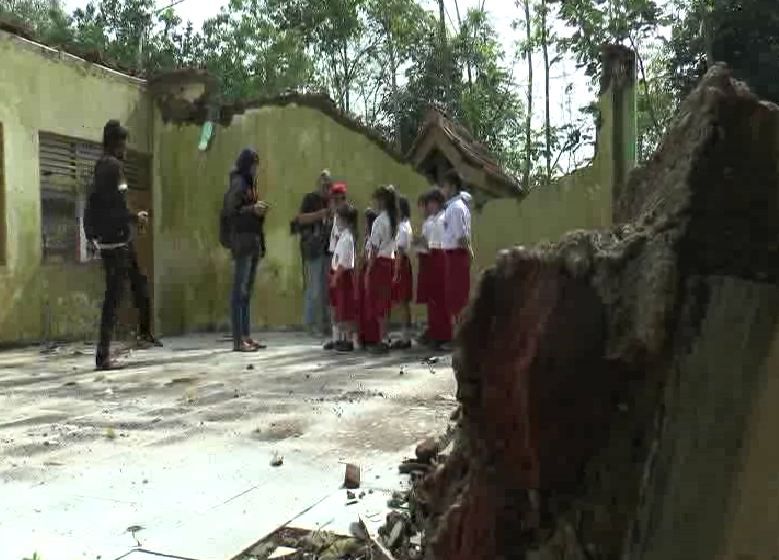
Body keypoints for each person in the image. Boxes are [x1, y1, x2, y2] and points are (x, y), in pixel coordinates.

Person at [84, 119, 161, 371]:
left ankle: (143, 333)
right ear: (116, 143)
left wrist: (90, 234)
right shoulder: (114, 167)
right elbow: (116, 205)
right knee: (116, 296)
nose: (126, 148)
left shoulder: (98, 168)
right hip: (118, 240)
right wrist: (135, 216)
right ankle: (104, 355)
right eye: (124, 143)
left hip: (111, 240)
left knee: (136, 284)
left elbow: (92, 202)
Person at [222, 148, 268, 352]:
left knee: (246, 292)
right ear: (246, 165)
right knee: (238, 292)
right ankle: (238, 340)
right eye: (253, 165)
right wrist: (253, 209)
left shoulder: (250, 184)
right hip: (241, 242)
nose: (256, 169)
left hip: (253, 242)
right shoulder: (238, 183)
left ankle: (246, 336)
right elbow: (231, 212)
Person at [294, 171, 333, 337]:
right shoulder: (310, 199)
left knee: (326, 290)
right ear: (318, 183)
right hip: (313, 250)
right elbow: (300, 219)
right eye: (324, 184)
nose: (326, 187)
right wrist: (321, 214)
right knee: (314, 289)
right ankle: (311, 325)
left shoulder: (332, 200)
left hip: (328, 249)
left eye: (329, 184)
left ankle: (324, 324)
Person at [366, 185, 398, 353]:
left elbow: (374, 248)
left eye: (376, 199)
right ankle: (385, 337)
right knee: (385, 302)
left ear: (382, 201)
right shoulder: (392, 220)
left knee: (379, 302)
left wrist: (369, 269)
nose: (374, 203)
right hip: (389, 262)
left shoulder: (379, 221)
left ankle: (382, 339)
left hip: (379, 263)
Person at [419, 188, 452, 348]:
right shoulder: (433, 220)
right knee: (433, 299)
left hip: (439, 256)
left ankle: (442, 335)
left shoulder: (441, 219)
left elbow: (436, 243)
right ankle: (435, 332)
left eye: (431, 202)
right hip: (433, 256)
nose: (429, 206)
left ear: (438, 203)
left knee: (439, 298)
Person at [441, 169, 473, 324]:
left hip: (456, 254)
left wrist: (469, 251)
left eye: (445, 186)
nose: (443, 190)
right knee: (458, 292)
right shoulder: (458, 206)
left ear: (453, 187)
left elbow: (460, 236)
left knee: (456, 293)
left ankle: (458, 331)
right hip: (456, 253)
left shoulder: (455, 208)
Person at [330, 204, 359, 353]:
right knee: (341, 308)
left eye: (338, 218)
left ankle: (350, 340)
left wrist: (335, 277)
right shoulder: (343, 236)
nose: (337, 221)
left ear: (345, 219)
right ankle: (344, 338)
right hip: (341, 275)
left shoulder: (347, 238)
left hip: (345, 276)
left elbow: (343, 262)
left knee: (347, 309)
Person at [324, 182, 349, 350]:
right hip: (334, 262)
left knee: (343, 302)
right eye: (333, 200)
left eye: (339, 200)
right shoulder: (334, 219)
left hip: (343, 265)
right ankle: (335, 337)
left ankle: (345, 338)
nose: (335, 203)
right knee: (334, 302)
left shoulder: (347, 218)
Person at [391, 196, 414, 350]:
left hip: (401, 263)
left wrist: (396, 271)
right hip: (402, 263)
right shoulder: (403, 225)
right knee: (401, 302)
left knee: (402, 301)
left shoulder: (403, 227)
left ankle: (406, 337)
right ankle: (404, 335)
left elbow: (399, 250)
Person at [357, 209, 381, 349]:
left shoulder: (372, 239)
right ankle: (365, 335)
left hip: (368, 271)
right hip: (363, 271)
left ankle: (371, 337)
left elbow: (367, 256)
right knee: (364, 306)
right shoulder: (367, 238)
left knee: (369, 305)